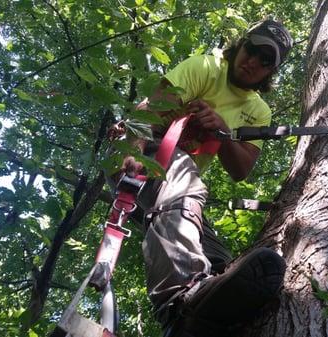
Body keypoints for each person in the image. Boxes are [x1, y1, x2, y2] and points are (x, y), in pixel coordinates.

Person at [110, 20, 293, 337]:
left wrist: (222, 134)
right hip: (141, 154)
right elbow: (150, 110)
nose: (253, 62)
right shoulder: (205, 67)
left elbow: (241, 170)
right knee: (184, 179)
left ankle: (199, 318)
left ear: (270, 72)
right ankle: (180, 296)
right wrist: (132, 155)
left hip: (175, 190)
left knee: (220, 259)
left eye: (266, 61)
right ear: (241, 45)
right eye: (252, 50)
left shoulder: (259, 111)